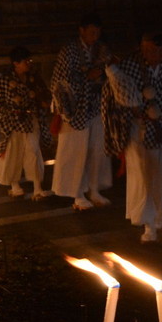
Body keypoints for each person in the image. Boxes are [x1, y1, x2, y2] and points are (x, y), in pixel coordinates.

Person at [103, 32, 162, 242]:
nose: (156, 54)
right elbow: (114, 97)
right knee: (143, 176)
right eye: (151, 49)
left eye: (160, 50)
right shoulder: (129, 65)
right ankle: (148, 224)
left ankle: (158, 217)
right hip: (140, 130)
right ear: (142, 48)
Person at [50, 14, 114, 210]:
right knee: (75, 152)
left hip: (97, 106)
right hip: (75, 109)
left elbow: (110, 71)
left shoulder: (102, 50)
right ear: (82, 30)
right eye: (92, 31)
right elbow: (59, 80)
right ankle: (77, 194)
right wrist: (87, 75)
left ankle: (94, 189)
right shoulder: (69, 50)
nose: (95, 36)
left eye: (98, 32)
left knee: (97, 151)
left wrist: (102, 75)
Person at [0, 46, 50, 199]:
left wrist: (42, 102)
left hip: (31, 120)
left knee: (33, 151)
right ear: (16, 63)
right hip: (13, 123)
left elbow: (44, 94)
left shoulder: (33, 77)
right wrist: (7, 113)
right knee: (13, 154)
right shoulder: (6, 80)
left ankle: (37, 187)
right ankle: (15, 186)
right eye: (25, 61)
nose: (28, 63)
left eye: (29, 60)